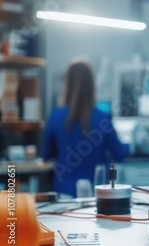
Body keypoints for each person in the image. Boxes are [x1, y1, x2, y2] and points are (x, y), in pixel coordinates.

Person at [42, 60, 129, 197]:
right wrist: (132, 143)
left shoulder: (55, 116)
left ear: (67, 84)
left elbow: (46, 155)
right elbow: (120, 154)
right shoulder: (103, 117)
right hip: (97, 194)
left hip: (65, 195)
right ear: (91, 85)